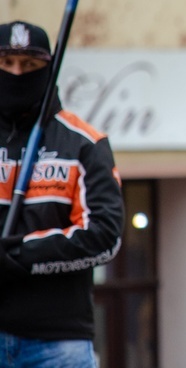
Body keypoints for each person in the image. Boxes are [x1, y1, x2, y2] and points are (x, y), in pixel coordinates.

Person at [0, 20, 124, 368]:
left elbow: (105, 234)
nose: (16, 73)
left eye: (29, 65)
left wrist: (22, 255)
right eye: (6, 63)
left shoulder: (85, 143)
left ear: (48, 69)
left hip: (58, 341)